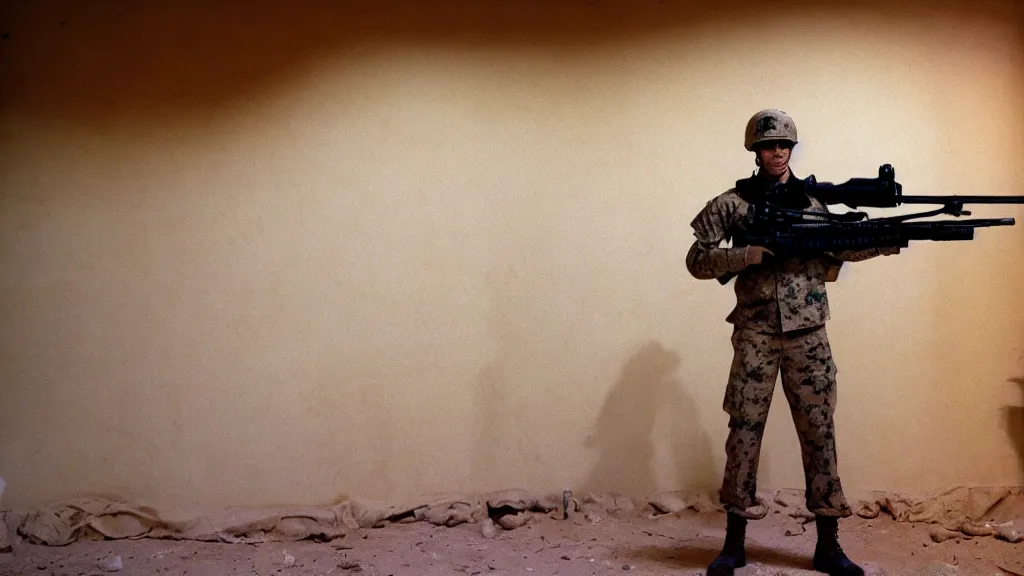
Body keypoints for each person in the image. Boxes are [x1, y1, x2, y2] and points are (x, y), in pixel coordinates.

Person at [684, 109, 899, 576]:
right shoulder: (733, 204)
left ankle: (828, 543)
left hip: (808, 337)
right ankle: (734, 542)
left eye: (784, 145)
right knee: (744, 432)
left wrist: (883, 239)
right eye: (768, 145)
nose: (777, 152)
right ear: (755, 151)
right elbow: (697, 260)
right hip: (757, 334)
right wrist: (745, 254)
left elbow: (841, 245)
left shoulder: (813, 201)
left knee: (819, 433)